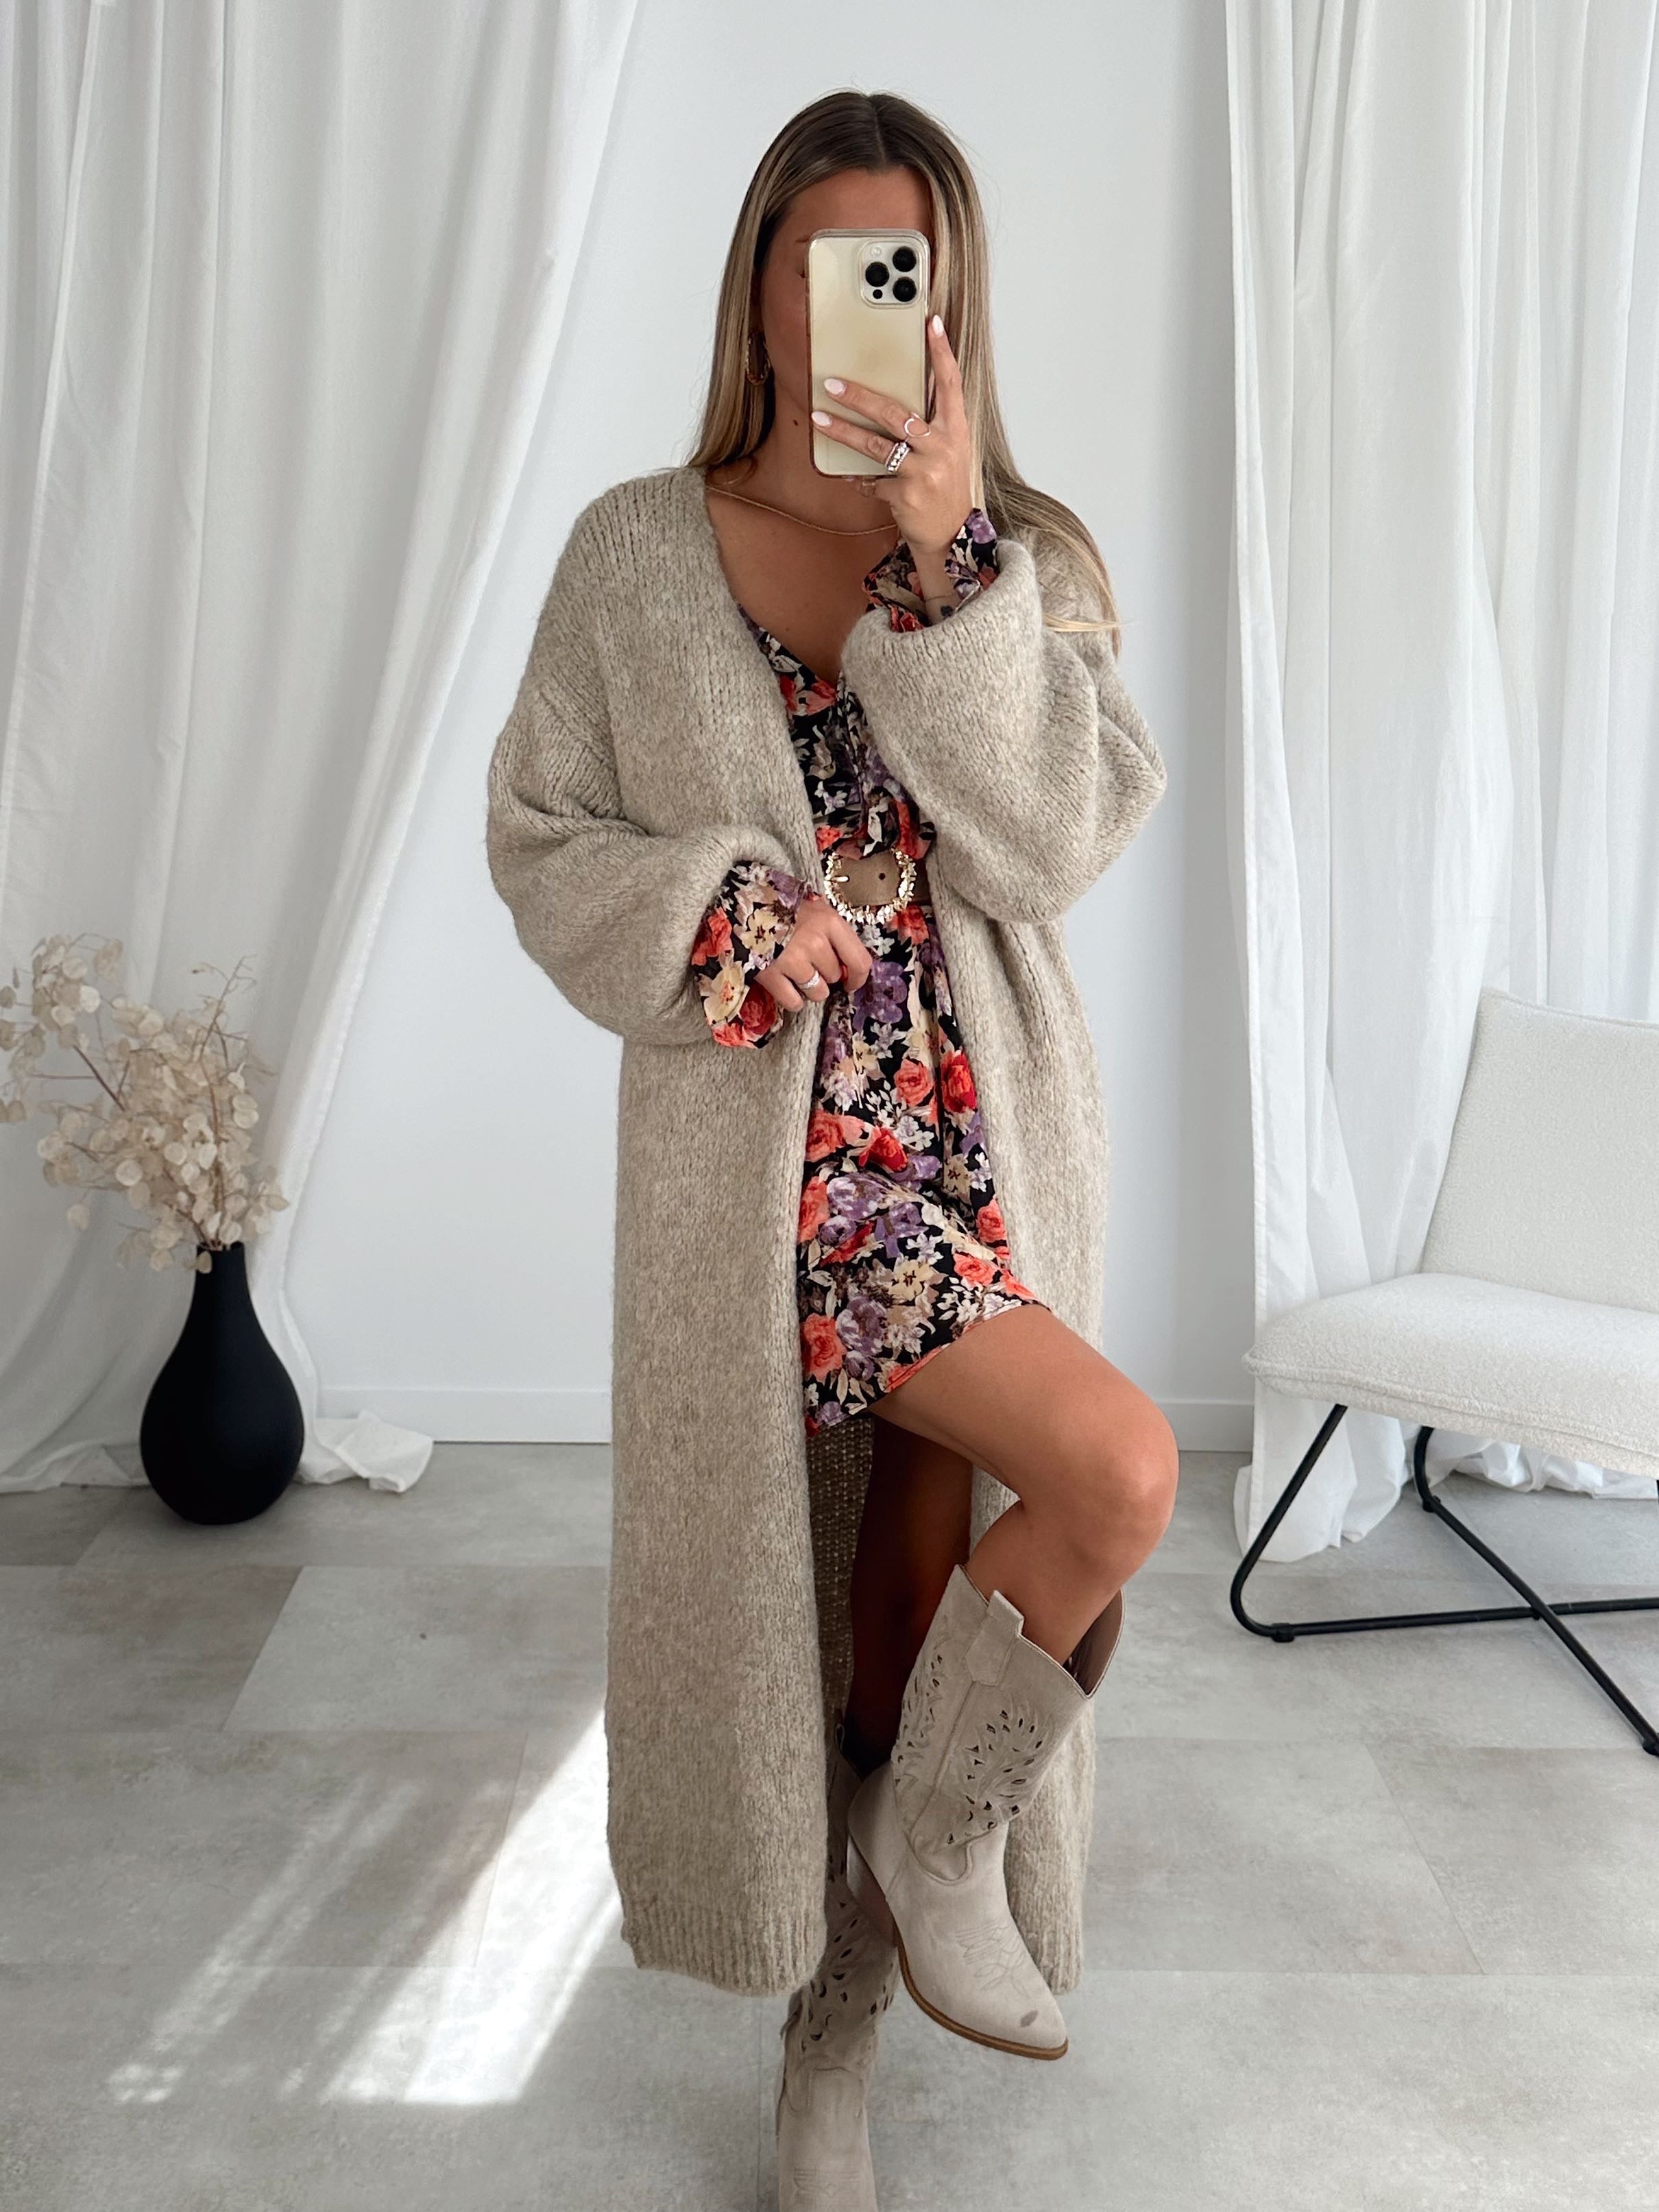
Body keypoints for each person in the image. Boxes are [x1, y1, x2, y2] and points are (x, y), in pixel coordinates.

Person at [485, 88, 1177, 2212]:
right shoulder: (633, 553)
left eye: (902, 273)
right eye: (825, 267)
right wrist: (712, 912)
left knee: (900, 1621)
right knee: (1118, 1469)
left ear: (948, 304)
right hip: (773, 1178)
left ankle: (836, 2031)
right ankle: (921, 1867)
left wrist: (949, 567)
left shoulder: (1024, 562)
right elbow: (539, 835)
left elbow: (1049, 843)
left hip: (980, 1151)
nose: (857, 311)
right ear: (764, 289)